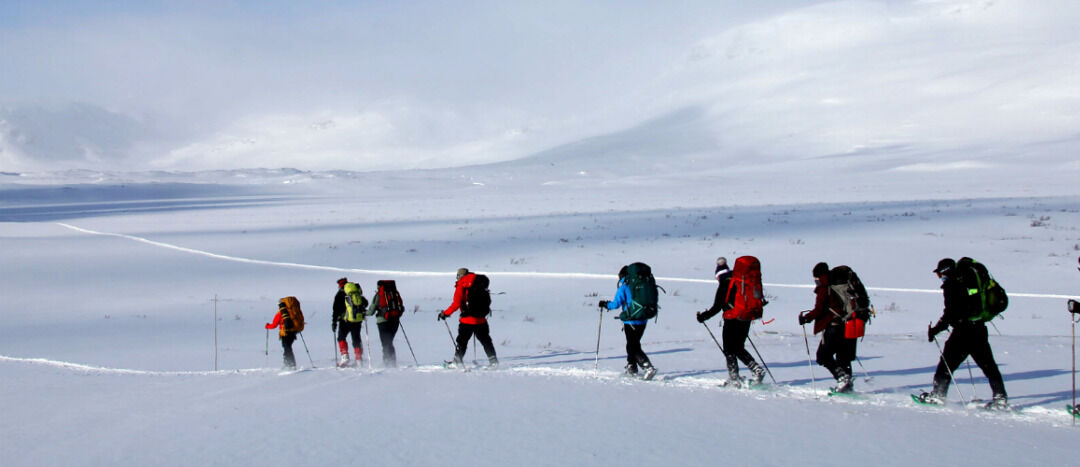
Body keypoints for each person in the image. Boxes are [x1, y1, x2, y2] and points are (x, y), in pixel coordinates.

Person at [917, 258, 1008, 409]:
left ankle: (938, 395)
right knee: (989, 366)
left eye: (940, 274)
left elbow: (950, 313)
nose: (940, 278)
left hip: (962, 332)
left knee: (946, 365)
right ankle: (1000, 398)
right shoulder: (969, 279)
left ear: (946, 271)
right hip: (979, 328)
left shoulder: (952, 284)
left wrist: (936, 330)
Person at [697, 257, 765, 387]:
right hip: (746, 316)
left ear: (718, 275)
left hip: (732, 318)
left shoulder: (724, 284)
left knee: (729, 349)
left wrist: (703, 317)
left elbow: (717, 306)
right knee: (738, 347)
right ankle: (756, 370)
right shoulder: (741, 280)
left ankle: (734, 378)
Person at [797, 262, 863, 394]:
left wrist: (806, 318)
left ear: (818, 276)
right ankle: (847, 385)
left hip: (834, 326)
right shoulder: (838, 282)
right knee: (843, 357)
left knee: (823, 356)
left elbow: (819, 309)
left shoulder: (824, 287)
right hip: (850, 322)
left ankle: (841, 378)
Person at [600, 265, 658, 380]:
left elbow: (616, 304)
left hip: (631, 320)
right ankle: (632, 367)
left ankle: (647, 366)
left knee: (633, 346)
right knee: (634, 344)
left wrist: (605, 304)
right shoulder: (642, 284)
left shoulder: (624, 287)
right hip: (644, 318)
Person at [438, 268, 498, 368]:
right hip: (481, 319)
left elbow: (456, 304)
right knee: (486, 341)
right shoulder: (479, 282)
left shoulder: (462, 284)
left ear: (460, 276)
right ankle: (494, 361)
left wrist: (445, 314)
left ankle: (457, 362)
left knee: (462, 341)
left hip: (467, 320)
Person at [366, 280, 403, 368]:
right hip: (395, 321)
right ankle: (392, 362)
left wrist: (364, 313)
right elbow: (401, 306)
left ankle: (388, 363)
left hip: (383, 321)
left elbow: (371, 311)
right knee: (389, 342)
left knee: (386, 343)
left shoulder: (379, 294)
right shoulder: (395, 293)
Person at [332, 278, 366, 367]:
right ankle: (359, 359)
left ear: (340, 285)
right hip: (357, 320)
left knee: (341, 337)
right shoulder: (356, 293)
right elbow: (365, 302)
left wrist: (334, 322)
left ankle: (345, 356)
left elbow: (335, 309)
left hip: (345, 320)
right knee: (356, 339)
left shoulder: (340, 294)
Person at [266, 300, 297, 369]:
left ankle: (288, 364)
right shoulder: (292, 311)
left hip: (285, 333)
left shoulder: (280, 313)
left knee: (286, 348)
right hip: (293, 332)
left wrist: (267, 326)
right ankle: (291, 364)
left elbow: (274, 325)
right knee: (288, 348)